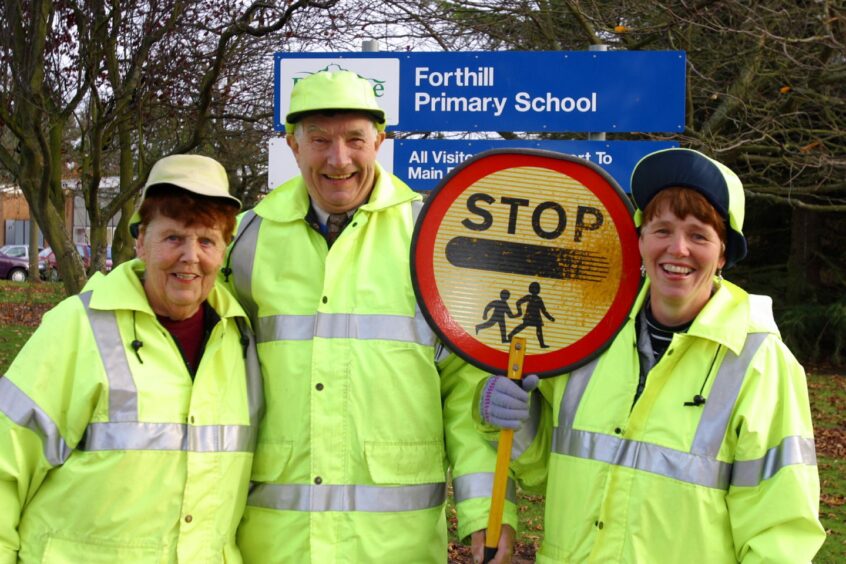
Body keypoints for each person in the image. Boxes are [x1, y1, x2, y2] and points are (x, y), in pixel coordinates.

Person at [222, 70, 516, 562]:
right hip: (275, 545)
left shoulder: (433, 240)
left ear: (380, 141)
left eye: (355, 139)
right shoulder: (246, 241)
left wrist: (487, 514)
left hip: (394, 547)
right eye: (319, 140)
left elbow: (465, 389)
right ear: (293, 147)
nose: (339, 159)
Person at [478, 148, 826, 562]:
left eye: (699, 235)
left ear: (723, 255)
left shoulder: (761, 362)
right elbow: (540, 469)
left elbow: (780, 529)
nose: (677, 249)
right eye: (662, 230)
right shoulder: (590, 336)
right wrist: (509, 416)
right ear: (640, 240)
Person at [0, 154, 262, 562]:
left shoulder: (240, 340)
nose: (191, 256)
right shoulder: (80, 326)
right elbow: (6, 462)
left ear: (224, 251)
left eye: (207, 240)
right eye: (173, 237)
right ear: (141, 241)